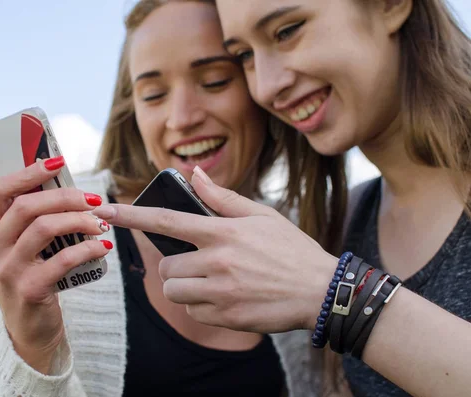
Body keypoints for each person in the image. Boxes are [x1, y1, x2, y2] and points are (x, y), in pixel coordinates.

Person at [0, 1, 346, 396]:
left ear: (260, 86)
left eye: (214, 81)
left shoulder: (305, 234)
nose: (180, 118)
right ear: (133, 113)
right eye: (153, 94)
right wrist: (33, 347)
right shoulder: (39, 235)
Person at [93, 0, 471, 396]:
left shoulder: (323, 257)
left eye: (288, 31)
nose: (266, 87)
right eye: (244, 56)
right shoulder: (345, 222)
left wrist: (334, 293)